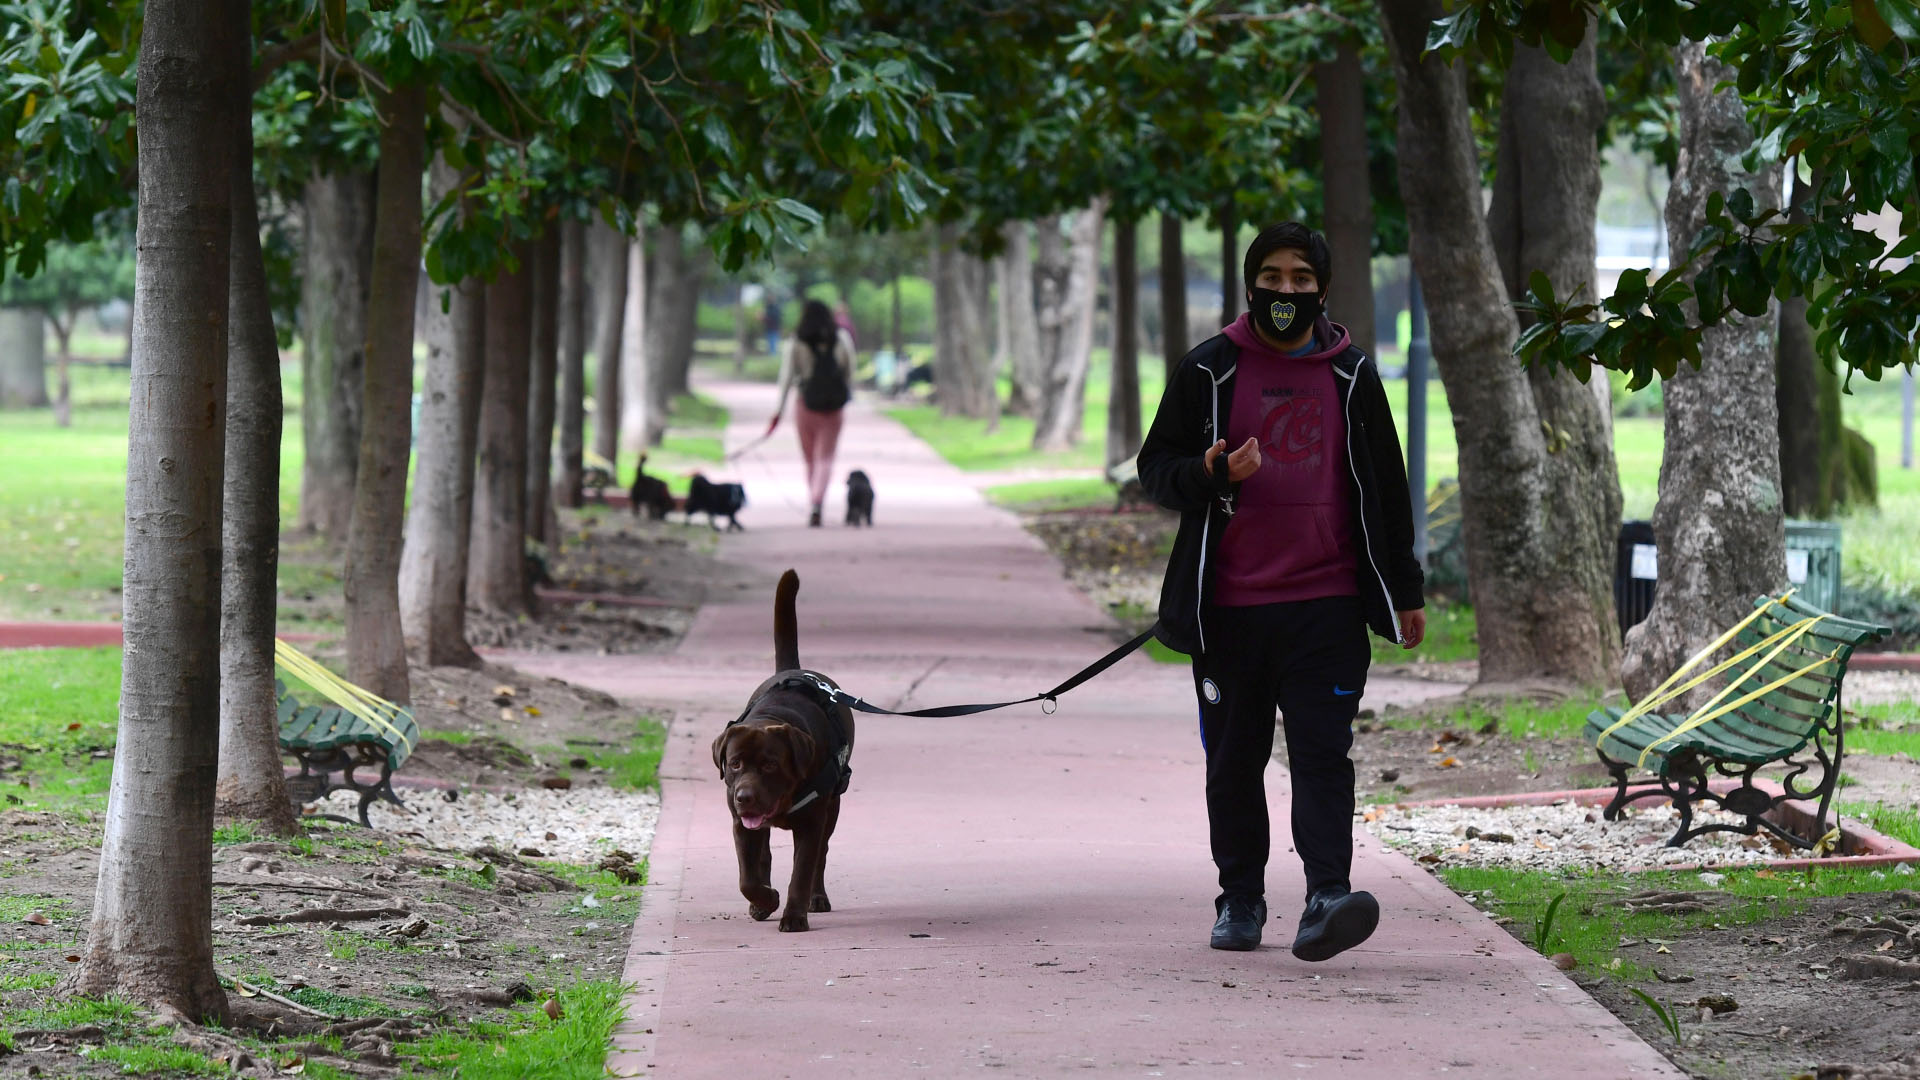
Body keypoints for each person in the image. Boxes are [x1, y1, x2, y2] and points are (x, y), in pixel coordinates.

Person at [1136, 222, 1426, 960]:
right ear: (1251, 282)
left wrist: (1406, 588)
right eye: (1273, 276)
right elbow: (1156, 467)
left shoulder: (1352, 374)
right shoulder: (1210, 369)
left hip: (1325, 609)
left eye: (1301, 278)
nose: (1286, 291)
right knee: (1234, 762)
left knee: (1323, 756)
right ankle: (1240, 898)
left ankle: (1328, 895)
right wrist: (1208, 474)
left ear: (1322, 289)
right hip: (1229, 612)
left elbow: (1388, 491)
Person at [767, 300, 855, 527]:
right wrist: (844, 394)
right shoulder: (841, 338)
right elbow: (849, 371)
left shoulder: (796, 341)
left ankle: (813, 501)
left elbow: (786, 377)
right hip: (834, 408)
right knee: (825, 458)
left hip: (805, 404)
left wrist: (778, 411)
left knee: (810, 460)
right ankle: (818, 501)